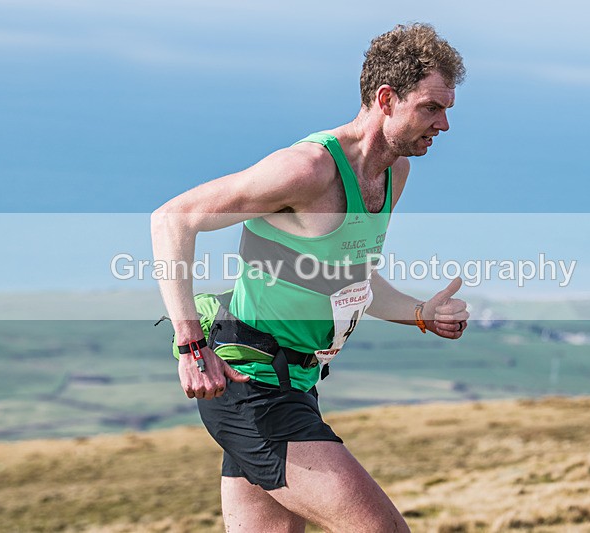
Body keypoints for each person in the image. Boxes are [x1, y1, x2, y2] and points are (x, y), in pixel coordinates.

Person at [151, 23, 469, 533]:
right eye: (432, 107)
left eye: (448, 107)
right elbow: (172, 219)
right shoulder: (307, 170)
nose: (445, 123)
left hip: (296, 383)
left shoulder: (393, 174)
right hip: (248, 381)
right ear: (386, 99)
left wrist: (420, 314)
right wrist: (190, 344)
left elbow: (352, 282)